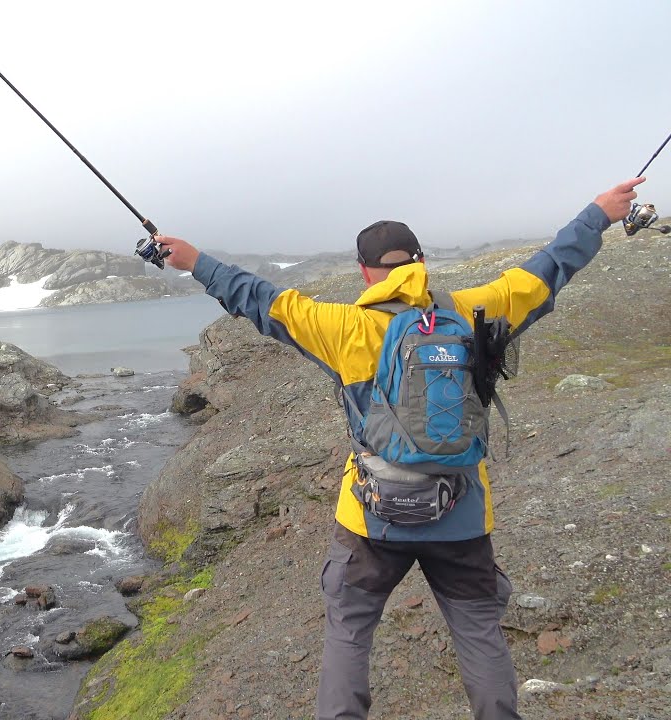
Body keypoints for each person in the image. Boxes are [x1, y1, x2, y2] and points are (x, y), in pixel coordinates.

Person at [155, 177, 645, 720]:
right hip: (461, 513)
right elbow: (549, 268)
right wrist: (599, 212)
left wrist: (194, 259)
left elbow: (260, 299)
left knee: (349, 631)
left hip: (372, 518)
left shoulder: (339, 326)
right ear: (419, 261)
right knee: (480, 634)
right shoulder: (478, 309)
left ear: (365, 271)